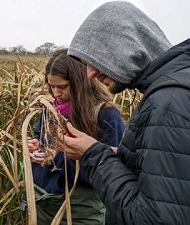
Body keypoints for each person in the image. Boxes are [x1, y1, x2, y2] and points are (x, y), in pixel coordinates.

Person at [59, 1, 190, 224]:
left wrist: (94, 155)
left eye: (96, 59)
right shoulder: (176, 88)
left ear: (124, 46)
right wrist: (116, 154)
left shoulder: (167, 103)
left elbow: (151, 219)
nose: (90, 74)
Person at [26, 49, 125, 225]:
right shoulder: (49, 110)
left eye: (62, 87)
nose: (55, 93)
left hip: (82, 210)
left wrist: (57, 159)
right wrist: (36, 147)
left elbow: (111, 172)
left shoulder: (106, 116)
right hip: (43, 203)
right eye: (51, 86)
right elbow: (39, 136)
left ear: (80, 83)